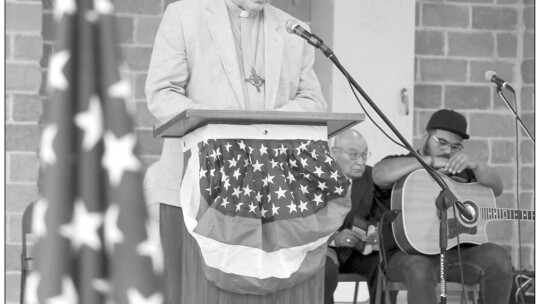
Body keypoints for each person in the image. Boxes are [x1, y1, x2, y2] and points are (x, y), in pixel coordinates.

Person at [143, 0, 327, 218]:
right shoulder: (185, 15)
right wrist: (222, 122)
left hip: (268, 187)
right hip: (196, 184)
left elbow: (313, 100)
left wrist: (266, 125)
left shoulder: (293, 28)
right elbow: (162, 93)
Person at [372, 109, 513, 304]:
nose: (447, 151)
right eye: (442, 143)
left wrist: (477, 166)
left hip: (455, 255)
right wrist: (429, 162)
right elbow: (379, 174)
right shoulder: (402, 164)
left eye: (455, 147)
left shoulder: (462, 172)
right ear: (425, 137)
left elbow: (497, 188)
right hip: (406, 256)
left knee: (498, 257)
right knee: (419, 268)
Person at [324, 129, 383, 304]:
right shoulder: (318, 179)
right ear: (335, 153)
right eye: (353, 155)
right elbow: (308, 225)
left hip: (357, 252)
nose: (361, 162)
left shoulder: (370, 177)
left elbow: (378, 215)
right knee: (323, 269)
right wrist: (334, 238)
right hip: (326, 250)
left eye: (365, 155)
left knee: (382, 265)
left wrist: (372, 233)